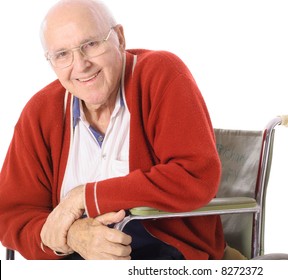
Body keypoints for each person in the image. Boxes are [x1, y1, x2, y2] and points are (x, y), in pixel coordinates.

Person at [0, 0, 224, 260]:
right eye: (63, 54)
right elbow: (11, 213)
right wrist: (71, 236)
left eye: (90, 44)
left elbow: (195, 175)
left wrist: (85, 196)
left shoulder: (161, 74)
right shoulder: (40, 111)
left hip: (162, 254)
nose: (81, 64)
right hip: (74, 260)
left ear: (119, 38)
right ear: (50, 61)